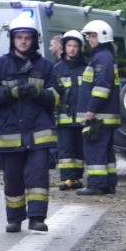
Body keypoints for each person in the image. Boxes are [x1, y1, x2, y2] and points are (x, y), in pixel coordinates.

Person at [0, 15, 59, 232]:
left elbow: (57, 97)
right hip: (10, 132)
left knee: (37, 176)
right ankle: (15, 218)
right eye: (19, 37)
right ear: (13, 39)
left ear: (34, 40)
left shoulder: (45, 66)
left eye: (28, 37)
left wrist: (40, 94)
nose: (24, 41)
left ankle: (37, 218)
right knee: (13, 179)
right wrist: (10, 92)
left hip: (38, 132)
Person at [76, 20, 120, 196]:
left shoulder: (102, 58)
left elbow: (102, 87)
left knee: (94, 149)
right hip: (105, 115)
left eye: (93, 36)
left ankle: (96, 184)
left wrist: (91, 109)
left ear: (102, 36)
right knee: (105, 151)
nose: (89, 40)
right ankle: (108, 183)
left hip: (99, 116)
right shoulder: (105, 56)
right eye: (89, 36)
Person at [53, 30, 87, 190]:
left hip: (81, 118)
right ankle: (67, 178)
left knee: (79, 150)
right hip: (63, 118)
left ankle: (77, 177)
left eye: (75, 46)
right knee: (65, 149)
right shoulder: (57, 69)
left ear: (80, 48)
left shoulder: (86, 69)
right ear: (64, 47)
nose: (72, 49)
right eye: (69, 45)